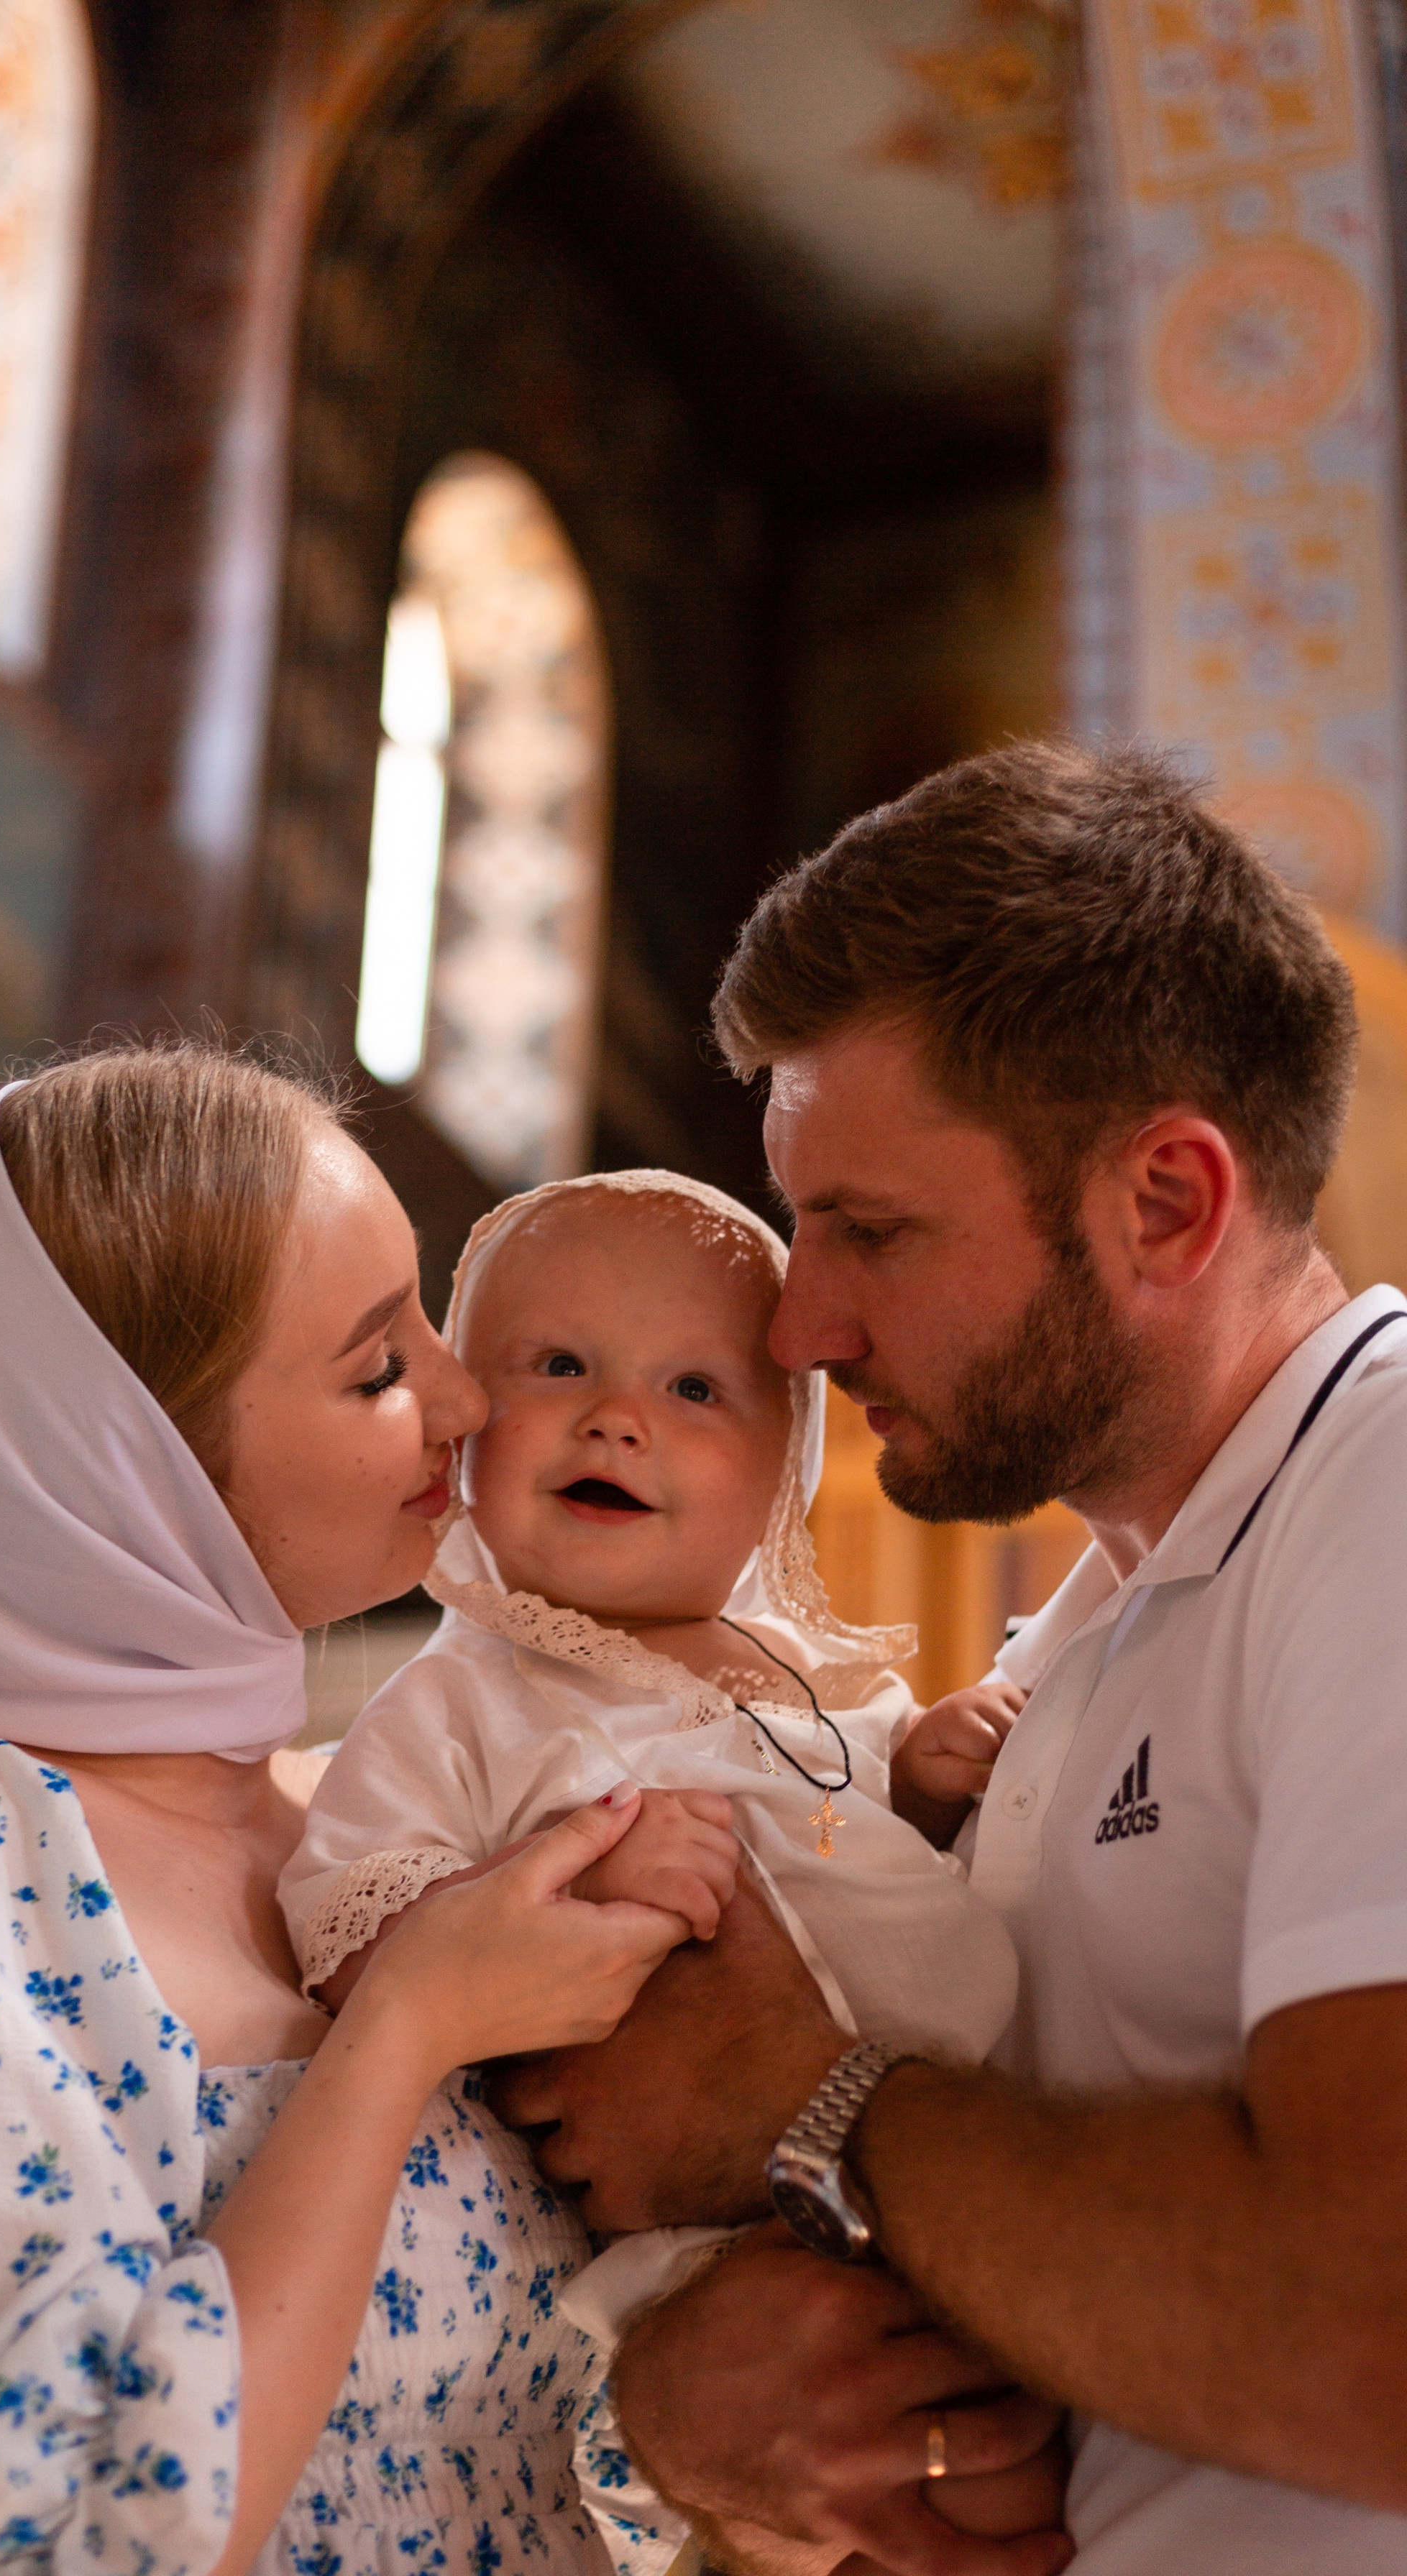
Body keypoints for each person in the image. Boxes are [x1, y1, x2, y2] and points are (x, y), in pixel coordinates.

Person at [492, 740, 1407, 2575]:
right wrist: (680, 2391)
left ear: (1165, 1201)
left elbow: (1367, 2335)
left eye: (871, 1232)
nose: (799, 1321)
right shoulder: (1077, 1628)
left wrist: (803, 2100)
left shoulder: (1381, 1496)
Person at [0, 1044, 687, 2576]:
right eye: (377, 1367)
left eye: (425, 1327)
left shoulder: (358, 1835)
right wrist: (398, 2030)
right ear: (128, 1471)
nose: (464, 1398)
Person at [279, 1167, 1056, 2569]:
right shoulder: (465, 1700)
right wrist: (565, 1886)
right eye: (557, 1364)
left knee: (1023, 2460)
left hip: (955, 2167)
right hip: (718, 2244)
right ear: (463, 1420)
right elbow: (348, 1927)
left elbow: (851, 1854)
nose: (615, 1415)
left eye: (694, 1388)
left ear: (783, 1467)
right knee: (933, 2494)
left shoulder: (811, 1686)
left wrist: (918, 1783)